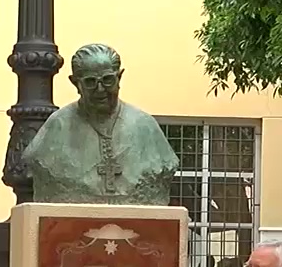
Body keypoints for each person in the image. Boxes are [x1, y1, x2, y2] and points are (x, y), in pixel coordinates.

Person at [21, 43, 179, 205]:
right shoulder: (58, 125)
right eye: (90, 82)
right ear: (76, 83)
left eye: (108, 80)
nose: (100, 89)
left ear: (119, 77)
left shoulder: (145, 125)